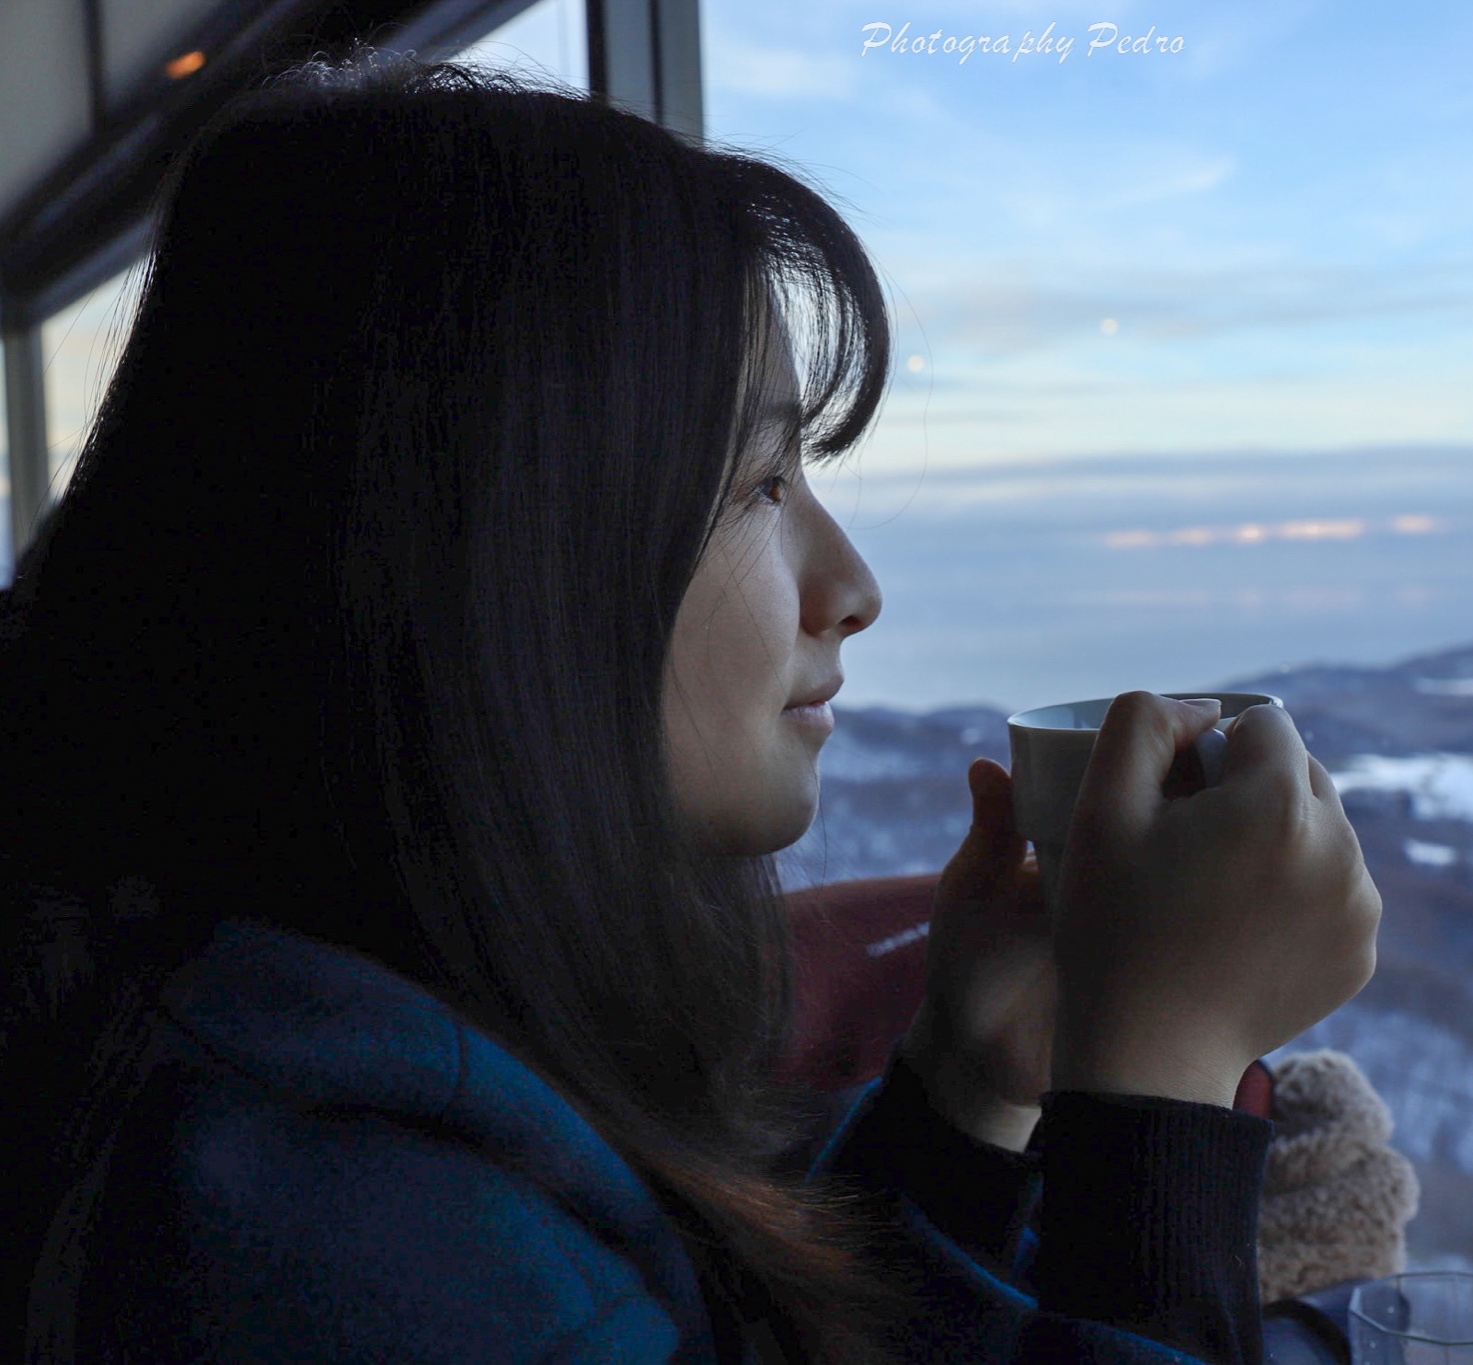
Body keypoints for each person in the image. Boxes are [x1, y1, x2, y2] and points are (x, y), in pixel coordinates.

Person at [0, 55, 1381, 1364]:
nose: (852, 586)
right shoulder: (309, 1216)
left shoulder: (297, 1044)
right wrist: (1164, 1083)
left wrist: (965, 1082)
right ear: (502, 555)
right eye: (765, 484)